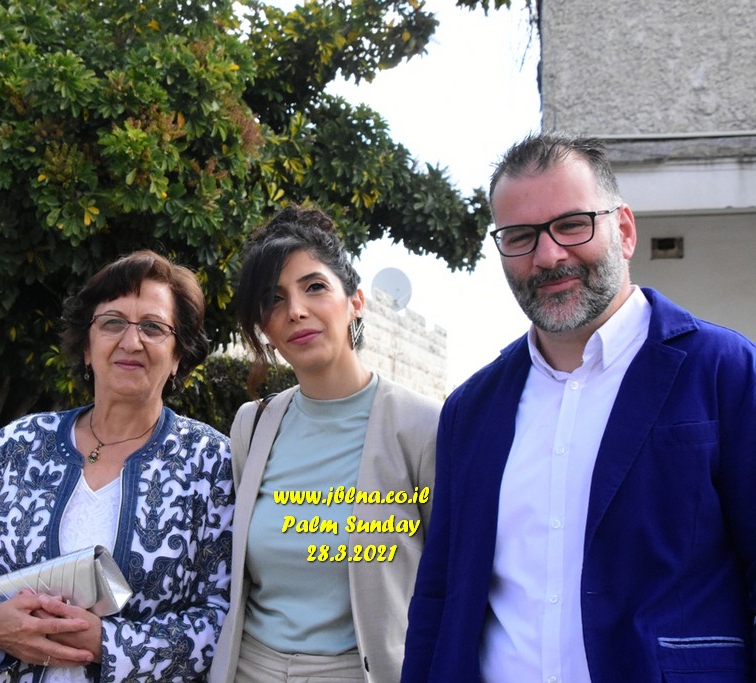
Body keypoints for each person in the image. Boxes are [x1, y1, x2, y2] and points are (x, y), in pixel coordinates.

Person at [401, 132, 756, 682]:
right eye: (520, 236)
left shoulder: (724, 371)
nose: (548, 256)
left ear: (625, 230)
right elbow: (441, 595)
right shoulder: (470, 412)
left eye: (572, 224)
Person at [0, 249, 233, 682]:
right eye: (112, 323)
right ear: (87, 347)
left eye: (153, 327)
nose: (131, 341)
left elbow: (223, 614)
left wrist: (109, 644)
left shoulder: (211, 464)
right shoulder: (16, 448)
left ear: (179, 355)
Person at [209, 206, 441, 683]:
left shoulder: (422, 426)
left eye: (314, 287)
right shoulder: (252, 425)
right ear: (265, 328)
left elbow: (452, 579)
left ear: (356, 301)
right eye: (274, 300)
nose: (295, 310)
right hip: (248, 668)